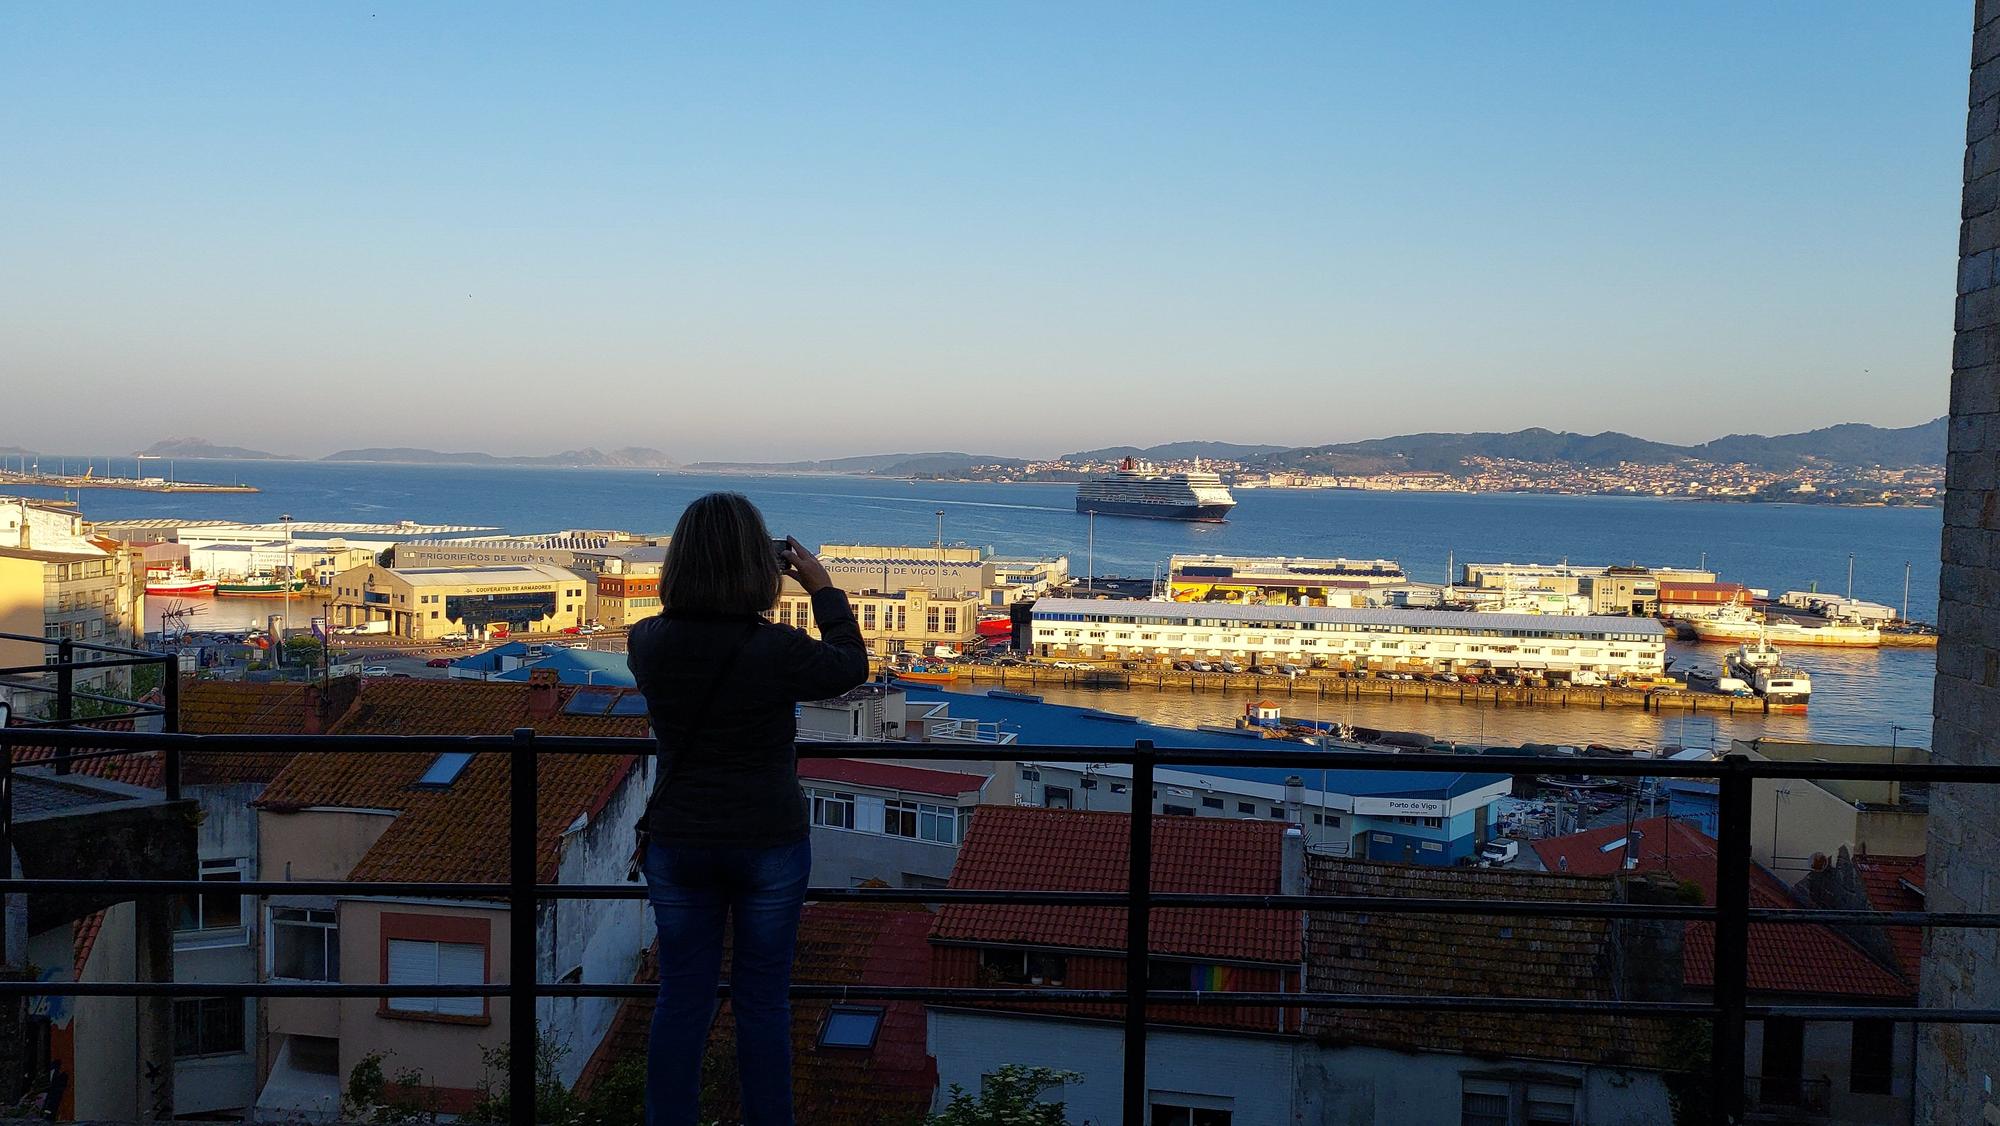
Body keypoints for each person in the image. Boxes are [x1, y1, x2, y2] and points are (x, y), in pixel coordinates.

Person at [626, 492, 868, 1126]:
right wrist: (822, 587)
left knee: (681, 999)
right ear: (755, 566)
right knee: (763, 1003)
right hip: (767, 836)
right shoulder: (777, 649)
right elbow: (848, 666)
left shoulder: (646, 641)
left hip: (679, 836)